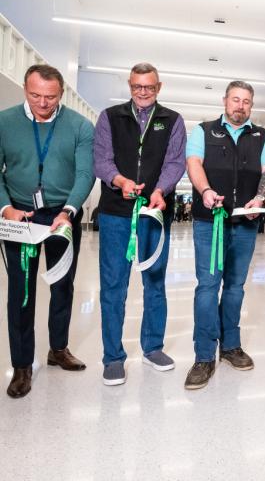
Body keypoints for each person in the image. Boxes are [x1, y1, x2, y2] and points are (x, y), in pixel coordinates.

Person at [0, 64, 94, 398]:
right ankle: (22, 364)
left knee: (63, 285)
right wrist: (5, 207)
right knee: (21, 292)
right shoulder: (5, 121)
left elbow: (85, 173)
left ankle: (58, 349)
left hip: (61, 216)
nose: (42, 103)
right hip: (19, 216)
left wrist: (69, 211)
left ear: (61, 93)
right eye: (35, 95)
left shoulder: (80, 126)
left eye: (50, 97)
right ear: (25, 89)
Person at [93, 62, 186, 386]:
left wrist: (160, 191)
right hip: (116, 211)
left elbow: (175, 162)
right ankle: (113, 358)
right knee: (113, 286)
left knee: (155, 283)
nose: (142, 92)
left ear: (159, 87)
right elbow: (101, 159)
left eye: (148, 87)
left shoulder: (172, 120)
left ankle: (153, 348)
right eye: (136, 87)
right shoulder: (110, 117)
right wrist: (119, 180)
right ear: (129, 86)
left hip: (155, 212)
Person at [183, 81, 265, 390]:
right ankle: (203, 355)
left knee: (235, 287)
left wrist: (261, 199)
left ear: (252, 106)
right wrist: (205, 191)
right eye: (235, 99)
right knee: (208, 287)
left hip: (245, 222)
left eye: (246, 101)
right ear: (225, 101)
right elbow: (194, 164)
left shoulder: (263, 137)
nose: (240, 105)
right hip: (209, 220)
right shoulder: (204, 130)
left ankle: (230, 346)